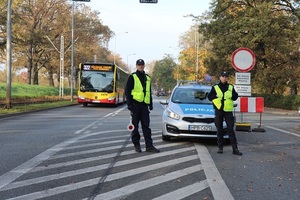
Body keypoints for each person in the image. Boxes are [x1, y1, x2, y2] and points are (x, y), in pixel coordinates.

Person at [125, 59, 160, 153]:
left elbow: (148, 92)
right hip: (135, 105)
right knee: (135, 127)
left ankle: (149, 146)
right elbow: (127, 91)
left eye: (142, 65)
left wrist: (151, 104)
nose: (140, 66)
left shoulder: (147, 78)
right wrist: (129, 104)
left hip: (144, 106)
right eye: (139, 65)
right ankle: (137, 145)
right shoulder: (132, 77)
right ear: (136, 66)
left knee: (146, 127)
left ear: (144, 66)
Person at [208, 71, 242, 155]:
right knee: (219, 130)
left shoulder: (230, 87)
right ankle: (220, 148)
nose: (224, 78)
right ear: (220, 77)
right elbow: (209, 97)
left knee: (230, 130)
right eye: (223, 76)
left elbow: (235, 96)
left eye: (226, 76)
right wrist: (215, 96)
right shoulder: (215, 87)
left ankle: (235, 149)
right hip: (219, 110)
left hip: (228, 111)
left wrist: (232, 95)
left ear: (227, 78)